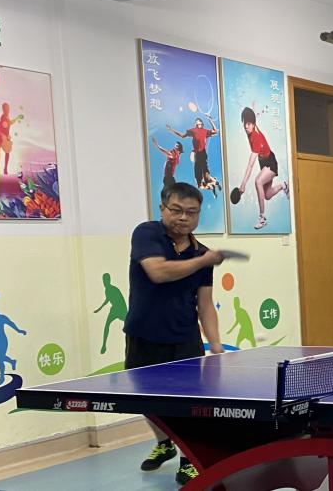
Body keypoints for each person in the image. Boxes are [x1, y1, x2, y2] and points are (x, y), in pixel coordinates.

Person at [125, 182, 227, 486]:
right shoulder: (147, 233)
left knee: (189, 405)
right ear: (162, 209)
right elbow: (158, 272)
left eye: (191, 212)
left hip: (184, 339)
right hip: (143, 334)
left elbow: (205, 304)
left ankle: (188, 459)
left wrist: (216, 346)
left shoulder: (202, 253)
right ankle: (164, 443)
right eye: (177, 210)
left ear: (198, 215)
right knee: (147, 401)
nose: (183, 218)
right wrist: (203, 261)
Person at [233, 107, 288, 230]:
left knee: (258, 181)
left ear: (253, 124)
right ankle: (284, 186)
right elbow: (252, 116)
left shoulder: (256, 138)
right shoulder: (250, 129)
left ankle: (262, 218)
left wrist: (243, 185)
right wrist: (253, 109)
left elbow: (250, 165)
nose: (246, 126)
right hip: (263, 162)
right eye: (244, 123)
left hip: (270, 163)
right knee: (267, 195)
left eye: (248, 124)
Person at [167, 116, 220, 198]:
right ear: (195, 124)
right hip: (198, 155)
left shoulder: (205, 131)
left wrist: (210, 120)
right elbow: (182, 135)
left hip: (202, 154)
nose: (198, 124)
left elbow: (216, 131)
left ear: (202, 124)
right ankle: (212, 186)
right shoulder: (193, 131)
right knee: (200, 184)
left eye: (200, 123)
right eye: (197, 123)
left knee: (206, 180)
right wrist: (171, 130)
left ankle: (215, 182)